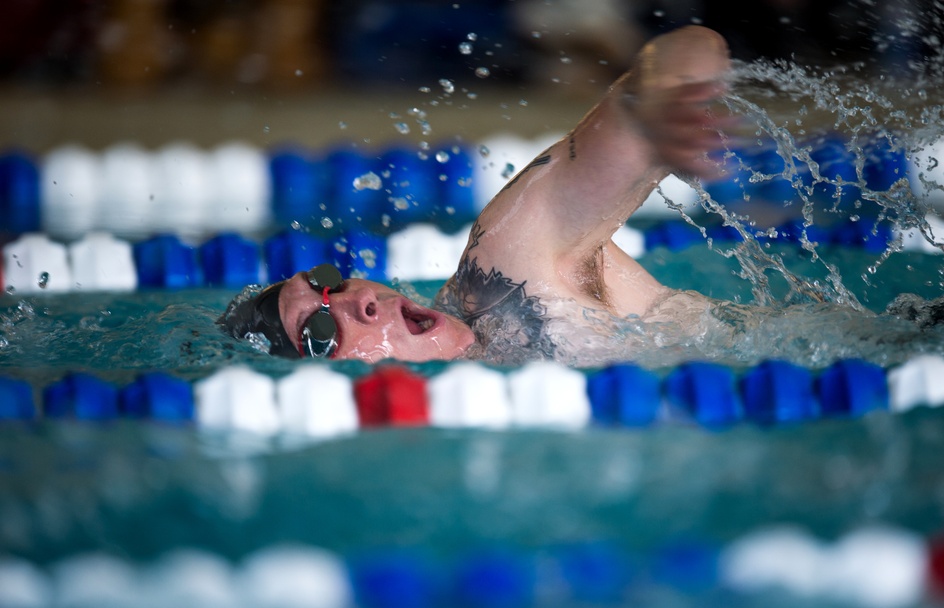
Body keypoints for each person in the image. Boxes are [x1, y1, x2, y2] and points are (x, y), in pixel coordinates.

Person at [220, 26, 733, 364]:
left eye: (326, 282)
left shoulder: (508, 276)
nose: (362, 302)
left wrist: (666, 100)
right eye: (321, 333)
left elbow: (677, 58)